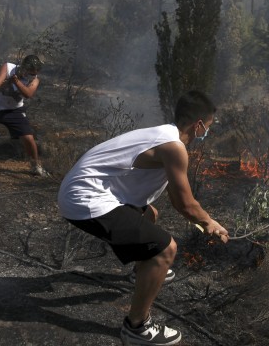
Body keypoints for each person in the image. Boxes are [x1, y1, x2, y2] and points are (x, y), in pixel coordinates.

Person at [57, 90, 229, 345]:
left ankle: (142, 270)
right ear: (199, 125)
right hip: (84, 199)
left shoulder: (165, 135)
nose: (208, 132)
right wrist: (210, 223)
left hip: (83, 190)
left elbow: (174, 199)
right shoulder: (174, 147)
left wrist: (203, 220)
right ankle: (136, 327)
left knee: (151, 213)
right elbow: (186, 205)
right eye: (209, 127)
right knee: (166, 249)